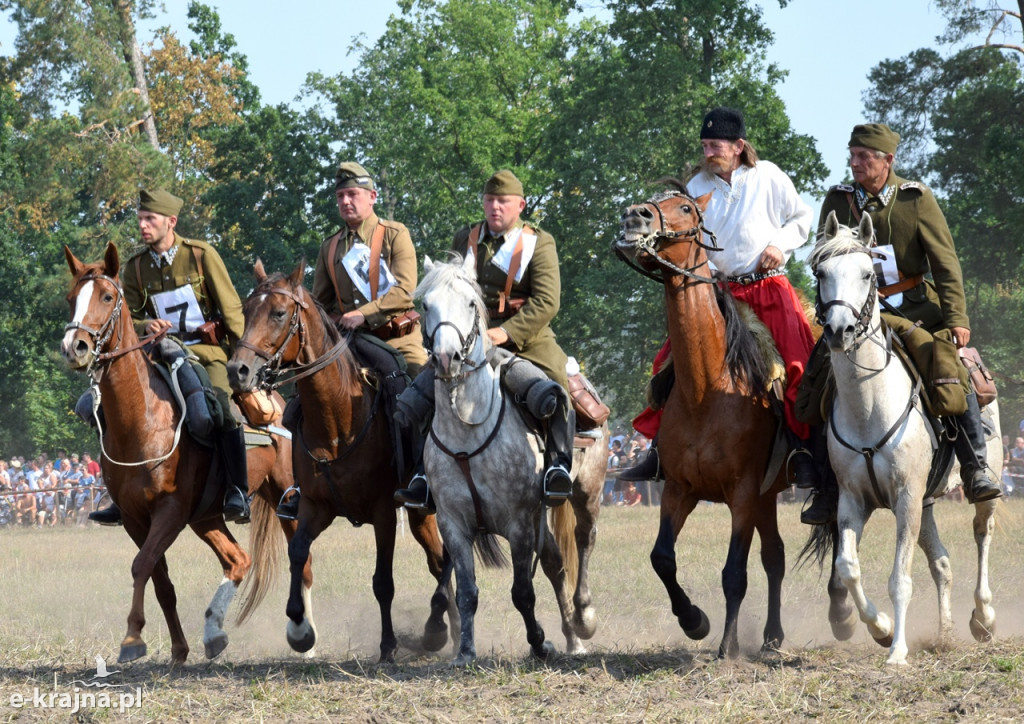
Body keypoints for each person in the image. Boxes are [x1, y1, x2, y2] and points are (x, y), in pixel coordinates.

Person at [619, 107, 820, 506]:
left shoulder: (769, 176)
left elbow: (802, 217)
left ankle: (808, 455)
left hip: (769, 288)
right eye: (705, 145)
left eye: (716, 145)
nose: (709, 152)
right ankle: (661, 452)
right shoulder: (696, 186)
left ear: (739, 146)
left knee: (800, 365)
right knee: (669, 367)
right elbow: (688, 240)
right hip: (718, 294)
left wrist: (780, 246)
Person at [802, 123, 1001, 516]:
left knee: (950, 369)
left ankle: (976, 468)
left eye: (864, 156)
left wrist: (957, 318)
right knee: (817, 376)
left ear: (887, 160)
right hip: (856, 317)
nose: (855, 163)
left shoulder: (916, 199)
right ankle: (825, 484)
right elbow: (822, 263)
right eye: (852, 154)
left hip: (914, 311)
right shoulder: (838, 201)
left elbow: (946, 264)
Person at [393, 169, 575, 510]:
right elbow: (449, 288)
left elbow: (547, 302)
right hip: (466, 338)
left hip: (526, 338)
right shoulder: (466, 237)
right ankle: (423, 477)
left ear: (519, 205)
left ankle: (557, 468)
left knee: (558, 387)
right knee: (418, 395)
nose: (495, 207)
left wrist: (505, 332)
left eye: (503, 201)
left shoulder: (539, 242)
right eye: (490, 200)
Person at [274, 162, 429, 520]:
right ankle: (300, 486)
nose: (346, 201)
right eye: (341, 196)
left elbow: (405, 289)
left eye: (353, 194)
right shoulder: (330, 247)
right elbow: (320, 303)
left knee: (417, 395)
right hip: (349, 344)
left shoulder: (394, 234)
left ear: (371, 197)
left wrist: (365, 313)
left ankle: (419, 476)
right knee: (299, 404)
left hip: (397, 340)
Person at [89, 188, 251, 525]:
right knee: (105, 406)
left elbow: (232, 309)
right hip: (156, 355)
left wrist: (242, 358)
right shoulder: (135, 268)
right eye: (141, 219)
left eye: (150, 219)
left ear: (171, 222)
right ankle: (120, 495)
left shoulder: (201, 255)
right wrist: (147, 323)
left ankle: (237, 490)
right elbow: (124, 316)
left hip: (205, 353)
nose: (143, 226)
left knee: (222, 409)